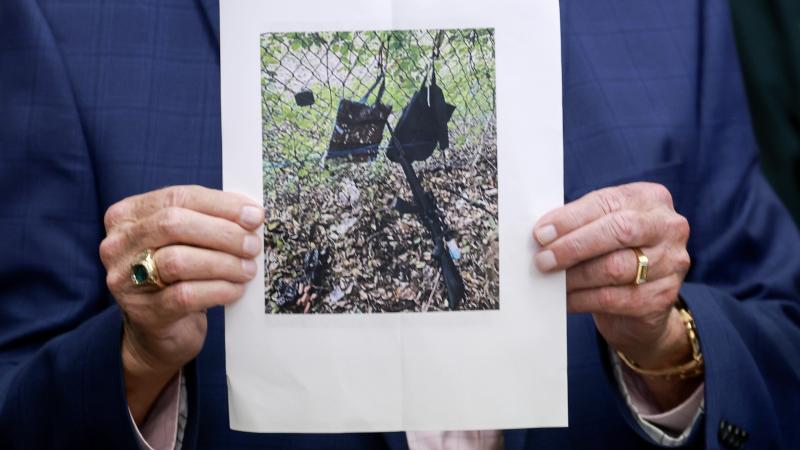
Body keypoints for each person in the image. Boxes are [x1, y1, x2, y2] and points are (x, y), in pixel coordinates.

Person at [1, 0, 798, 449]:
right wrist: (138, 360)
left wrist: (668, 350)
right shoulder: (67, 24)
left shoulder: (666, 17)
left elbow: (781, 339)